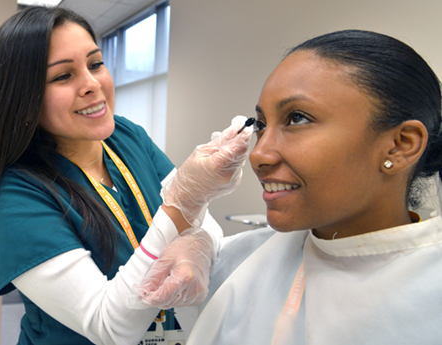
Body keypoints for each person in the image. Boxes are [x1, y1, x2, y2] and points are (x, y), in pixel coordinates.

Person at [139, 29, 442, 344]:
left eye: (297, 119)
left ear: (400, 145)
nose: (258, 155)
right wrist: (198, 241)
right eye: (261, 125)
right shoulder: (238, 260)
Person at [0, 6, 252, 345]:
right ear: (22, 97)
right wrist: (182, 207)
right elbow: (109, 328)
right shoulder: (15, 199)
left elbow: (204, 222)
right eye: (63, 76)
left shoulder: (127, 136)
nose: (93, 84)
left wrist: (197, 244)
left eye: (95, 64)